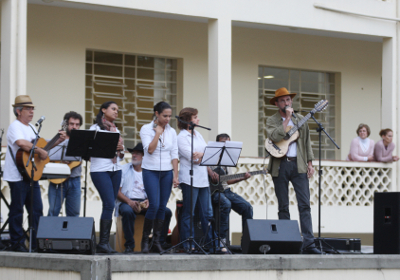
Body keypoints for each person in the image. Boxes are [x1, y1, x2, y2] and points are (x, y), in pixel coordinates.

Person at [3, 95, 66, 252]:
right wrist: (39, 150)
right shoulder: (15, 127)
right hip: (17, 175)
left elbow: (41, 150)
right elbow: (22, 143)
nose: (32, 111)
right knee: (17, 209)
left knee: (37, 209)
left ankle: (36, 243)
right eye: (28, 108)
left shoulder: (30, 127)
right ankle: (17, 243)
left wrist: (56, 141)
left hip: (31, 174)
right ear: (18, 111)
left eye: (32, 109)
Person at [265, 87, 321, 254]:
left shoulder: (301, 119)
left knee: (304, 205)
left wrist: (310, 163)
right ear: (277, 103)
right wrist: (286, 120)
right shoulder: (272, 120)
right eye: (282, 100)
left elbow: (307, 143)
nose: (286, 103)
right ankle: (286, 242)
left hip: (299, 165)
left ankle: (309, 243)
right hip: (280, 165)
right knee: (283, 206)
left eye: (288, 100)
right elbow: (275, 137)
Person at [116, 143, 172, 253]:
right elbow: (117, 192)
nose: (134, 155)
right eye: (133, 153)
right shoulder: (124, 169)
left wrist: (150, 201)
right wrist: (130, 202)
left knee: (166, 212)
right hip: (128, 201)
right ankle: (130, 245)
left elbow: (159, 192)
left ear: (144, 157)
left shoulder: (152, 172)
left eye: (137, 154)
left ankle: (158, 243)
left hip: (147, 202)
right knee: (127, 212)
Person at [139, 101, 179, 253]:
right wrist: (157, 133)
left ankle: (156, 241)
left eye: (169, 116)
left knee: (162, 206)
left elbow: (174, 154)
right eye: (164, 116)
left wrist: (175, 174)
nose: (168, 119)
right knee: (154, 205)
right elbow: (149, 150)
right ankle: (144, 241)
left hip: (166, 172)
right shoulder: (146, 129)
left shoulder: (172, 132)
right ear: (156, 114)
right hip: (151, 170)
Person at [177, 107, 217, 253]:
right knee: (189, 213)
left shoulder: (198, 135)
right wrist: (202, 155)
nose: (198, 119)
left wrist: (202, 154)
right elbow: (193, 158)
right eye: (195, 117)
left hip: (203, 179)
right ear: (188, 120)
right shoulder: (181, 137)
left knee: (207, 213)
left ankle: (213, 244)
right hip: (189, 179)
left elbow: (209, 155)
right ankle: (189, 244)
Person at [90, 101, 125, 254]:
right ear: (103, 110)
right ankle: (103, 243)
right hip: (100, 170)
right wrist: (111, 146)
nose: (116, 112)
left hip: (115, 169)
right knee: (109, 203)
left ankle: (104, 243)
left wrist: (121, 149)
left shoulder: (116, 129)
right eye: (113, 109)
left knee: (110, 205)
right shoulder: (95, 129)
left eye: (117, 110)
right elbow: (91, 150)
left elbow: (121, 156)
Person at [210, 133, 253, 246]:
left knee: (247, 207)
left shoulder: (228, 159)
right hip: (213, 192)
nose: (225, 145)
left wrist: (243, 178)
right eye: (222, 143)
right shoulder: (211, 157)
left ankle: (247, 241)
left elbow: (227, 180)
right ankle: (221, 239)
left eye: (227, 143)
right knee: (226, 204)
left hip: (226, 191)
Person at [47, 111, 83, 217]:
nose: (74, 127)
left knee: (74, 213)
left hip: (75, 179)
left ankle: (70, 234)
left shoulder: (82, 141)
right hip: (57, 178)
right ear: (66, 125)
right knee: (53, 211)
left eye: (77, 125)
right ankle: (49, 233)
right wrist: (60, 161)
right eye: (72, 124)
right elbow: (45, 156)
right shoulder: (57, 140)